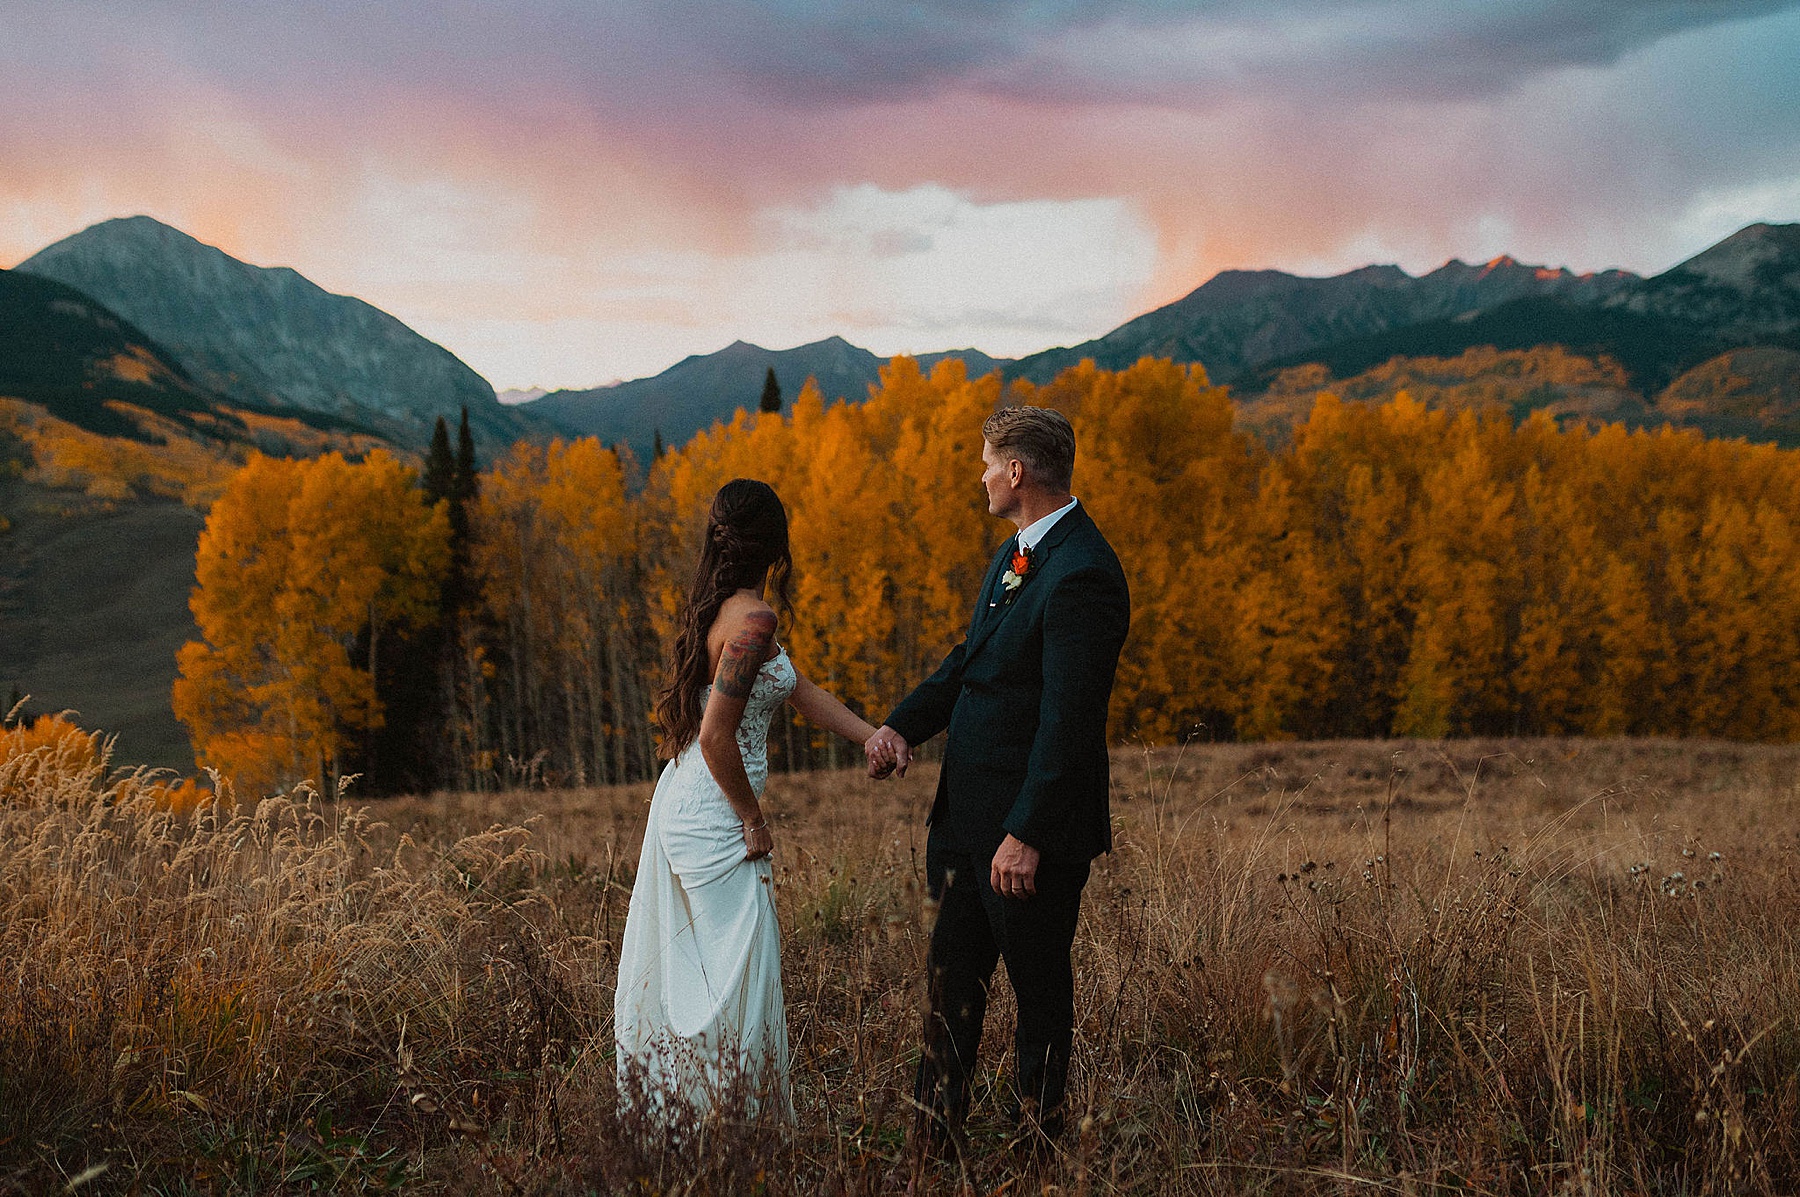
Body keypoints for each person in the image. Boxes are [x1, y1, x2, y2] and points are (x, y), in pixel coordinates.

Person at [864, 406, 1130, 1156]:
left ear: (1017, 471)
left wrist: (1028, 833)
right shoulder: (1016, 554)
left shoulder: (1084, 572)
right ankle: (931, 1144)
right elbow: (971, 661)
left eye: (986, 462)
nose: (979, 474)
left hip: (1025, 840)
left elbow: (1069, 721)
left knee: (1039, 999)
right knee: (950, 990)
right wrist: (899, 726)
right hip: (962, 825)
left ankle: (1036, 1153)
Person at [614, 478, 883, 1119]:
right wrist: (753, 819)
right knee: (735, 980)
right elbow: (715, 735)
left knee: (708, 978)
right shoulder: (753, 620)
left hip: (686, 803)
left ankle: (704, 1118)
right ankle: (725, 1129)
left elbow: (796, 688)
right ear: (776, 543)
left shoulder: (723, 606)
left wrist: (873, 736)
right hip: (712, 818)